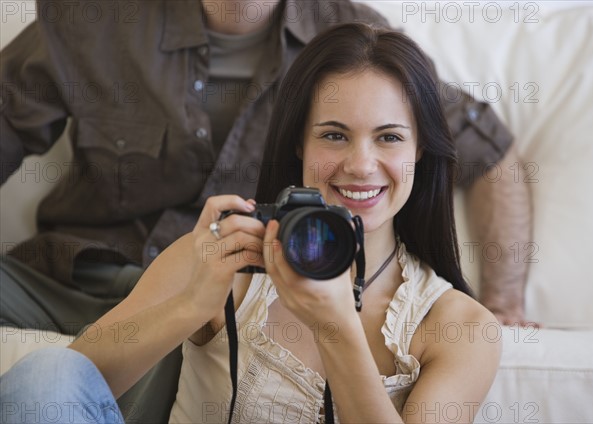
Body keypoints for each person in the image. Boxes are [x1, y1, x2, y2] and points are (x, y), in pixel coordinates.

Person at [1, 23, 501, 424]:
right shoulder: (226, 255)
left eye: (389, 138)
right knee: (47, 372)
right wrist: (193, 303)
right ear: (298, 146)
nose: (361, 164)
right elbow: (66, 389)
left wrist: (336, 326)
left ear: (421, 152)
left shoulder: (461, 327)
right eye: (334, 135)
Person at [0, 0, 530, 330]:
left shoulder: (354, 41)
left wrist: (502, 303)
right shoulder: (91, 18)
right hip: (71, 276)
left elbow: (488, 151)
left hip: (217, 300)